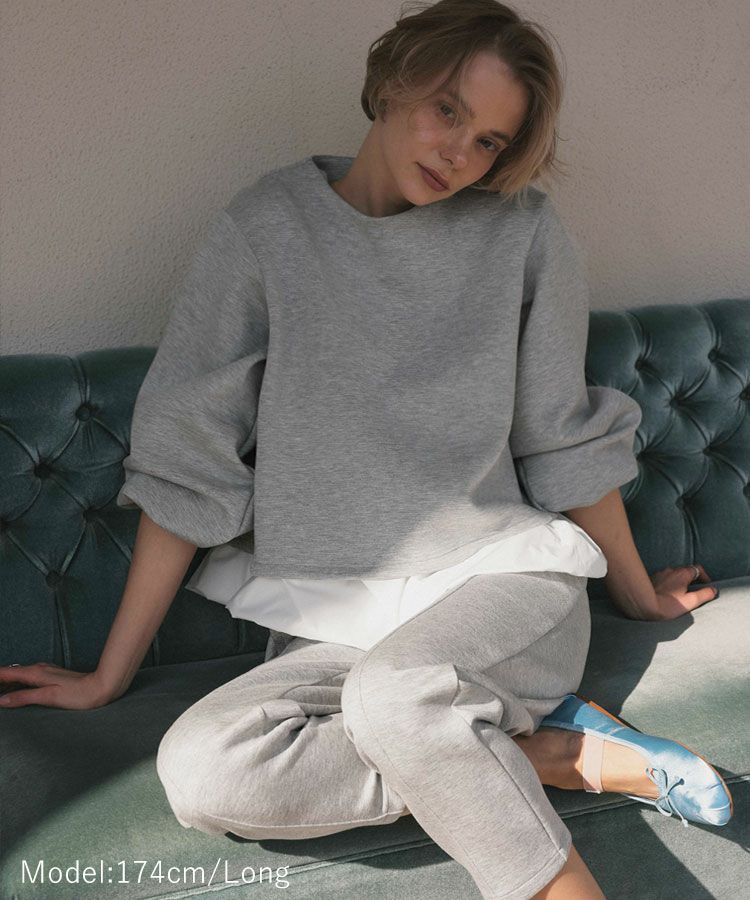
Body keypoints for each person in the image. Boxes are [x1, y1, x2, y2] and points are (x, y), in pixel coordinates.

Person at [0, 1, 731, 898]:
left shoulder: (522, 234)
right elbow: (189, 462)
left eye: (490, 141)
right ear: (391, 81)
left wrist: (639, 597)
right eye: (448, 110)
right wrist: (109, 677)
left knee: (398, 696)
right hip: (336, 623)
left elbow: (561, 439)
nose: (459, 153)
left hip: (500, 589)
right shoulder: (268, 228)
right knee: (206, 772)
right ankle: (543, 753)